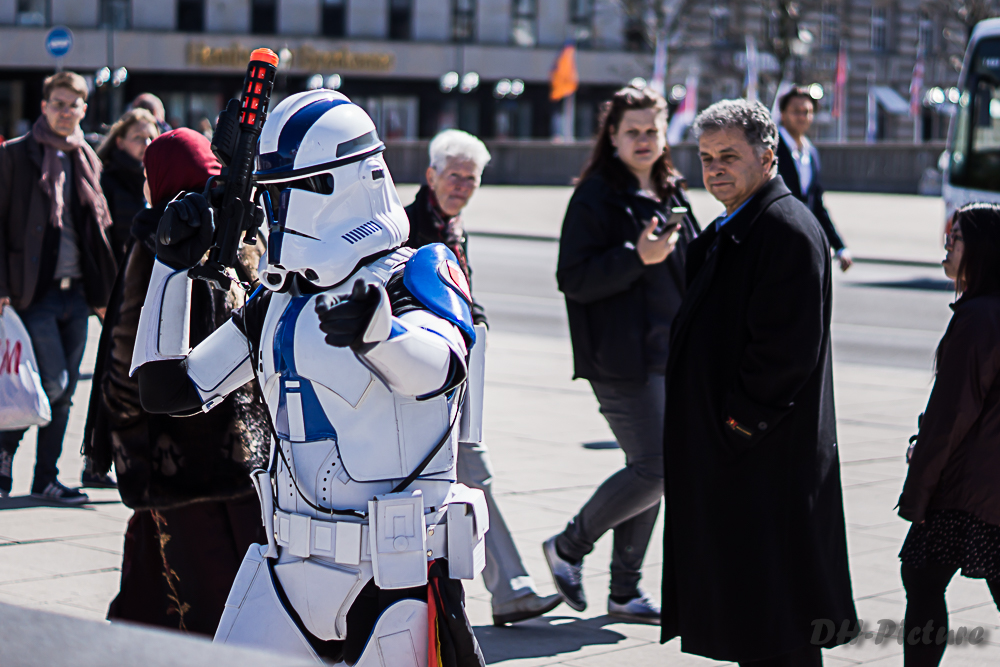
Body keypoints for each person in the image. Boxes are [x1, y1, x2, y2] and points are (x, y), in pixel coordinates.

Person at [131, 90, 486, 666]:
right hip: (285, 569)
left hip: (389, 576)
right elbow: (167, 390)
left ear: (350, 182)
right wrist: (169, 270)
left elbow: (440, 368)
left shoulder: (417, 270)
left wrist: (382, 338)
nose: (273, 211)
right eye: (267, 194)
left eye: (286, 191)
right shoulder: (276, 302)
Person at [659, 99, 857, 666]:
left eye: (729, 156)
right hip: (741, 460)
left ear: (768, 157)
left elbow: (784, 355)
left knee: (777, 620)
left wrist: (734, 427)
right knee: (754, 615)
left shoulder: (785, 227)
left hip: (764, 460)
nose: (715, 168)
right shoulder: (737, 224)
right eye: (705, 157)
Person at [80, 128, 270, 634]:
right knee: (231, 574)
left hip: (173, 454)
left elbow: (127, 349)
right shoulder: (242, 234)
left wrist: (121, 422)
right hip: (240, 446)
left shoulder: (162, 238)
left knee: (193, 586)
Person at [546, 85, 700, 625]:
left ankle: (625, 593)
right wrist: (636, 256)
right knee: (659, 466)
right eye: (632, 131)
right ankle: (569, 545)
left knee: (652, 467)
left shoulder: (670, 190)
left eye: (652, 130)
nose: (643, 140)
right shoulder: (594, 197)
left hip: (668, 354)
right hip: (620, 358)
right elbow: (573, 278)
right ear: (611, 137)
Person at [404, 129, 562, 626]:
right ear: (431, 175)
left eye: (472, 180)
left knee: (466, 481)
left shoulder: (454, 225)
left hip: (452, 373)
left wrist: (478, 320)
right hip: (423, 378)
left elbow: (461, 295)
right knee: (472, 477)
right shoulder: (409, 227)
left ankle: (504, 590)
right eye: (455, 176)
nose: (463, 187)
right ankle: (506, 589)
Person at [0, 72, 117, 503]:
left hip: (79, 293)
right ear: (44, 106)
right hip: (34, 292)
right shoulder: (15, 156)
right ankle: (6, 448)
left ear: (85, 110)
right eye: (58, 103)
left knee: (64, 392)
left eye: (74, 105)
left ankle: (44, 478)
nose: (66, 112)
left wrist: (104, 295)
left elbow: (98, 230)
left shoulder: (87, 157)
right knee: (54, 382)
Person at [897, 202, 1000, 667]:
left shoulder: (979, 318)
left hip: (964, 490)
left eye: (955, 238)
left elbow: (950, 416)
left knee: (920, 580)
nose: (946, 245)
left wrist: (918, 490)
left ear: (980, 250)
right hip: (987, 488)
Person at [776, 86, 852, 271]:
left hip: (802, 244)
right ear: (783, 114)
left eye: (807, 112)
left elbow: (816, 203)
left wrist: (839, 246)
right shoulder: (771, 149)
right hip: (776, 244)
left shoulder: (811, 153)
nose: (802, 116)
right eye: (796, 111)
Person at [96, 109, 159, 263]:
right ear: (120, 142)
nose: (146, 144)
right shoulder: (106, 181)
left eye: (151, 137)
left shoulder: (160, 180)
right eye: (138, 137)